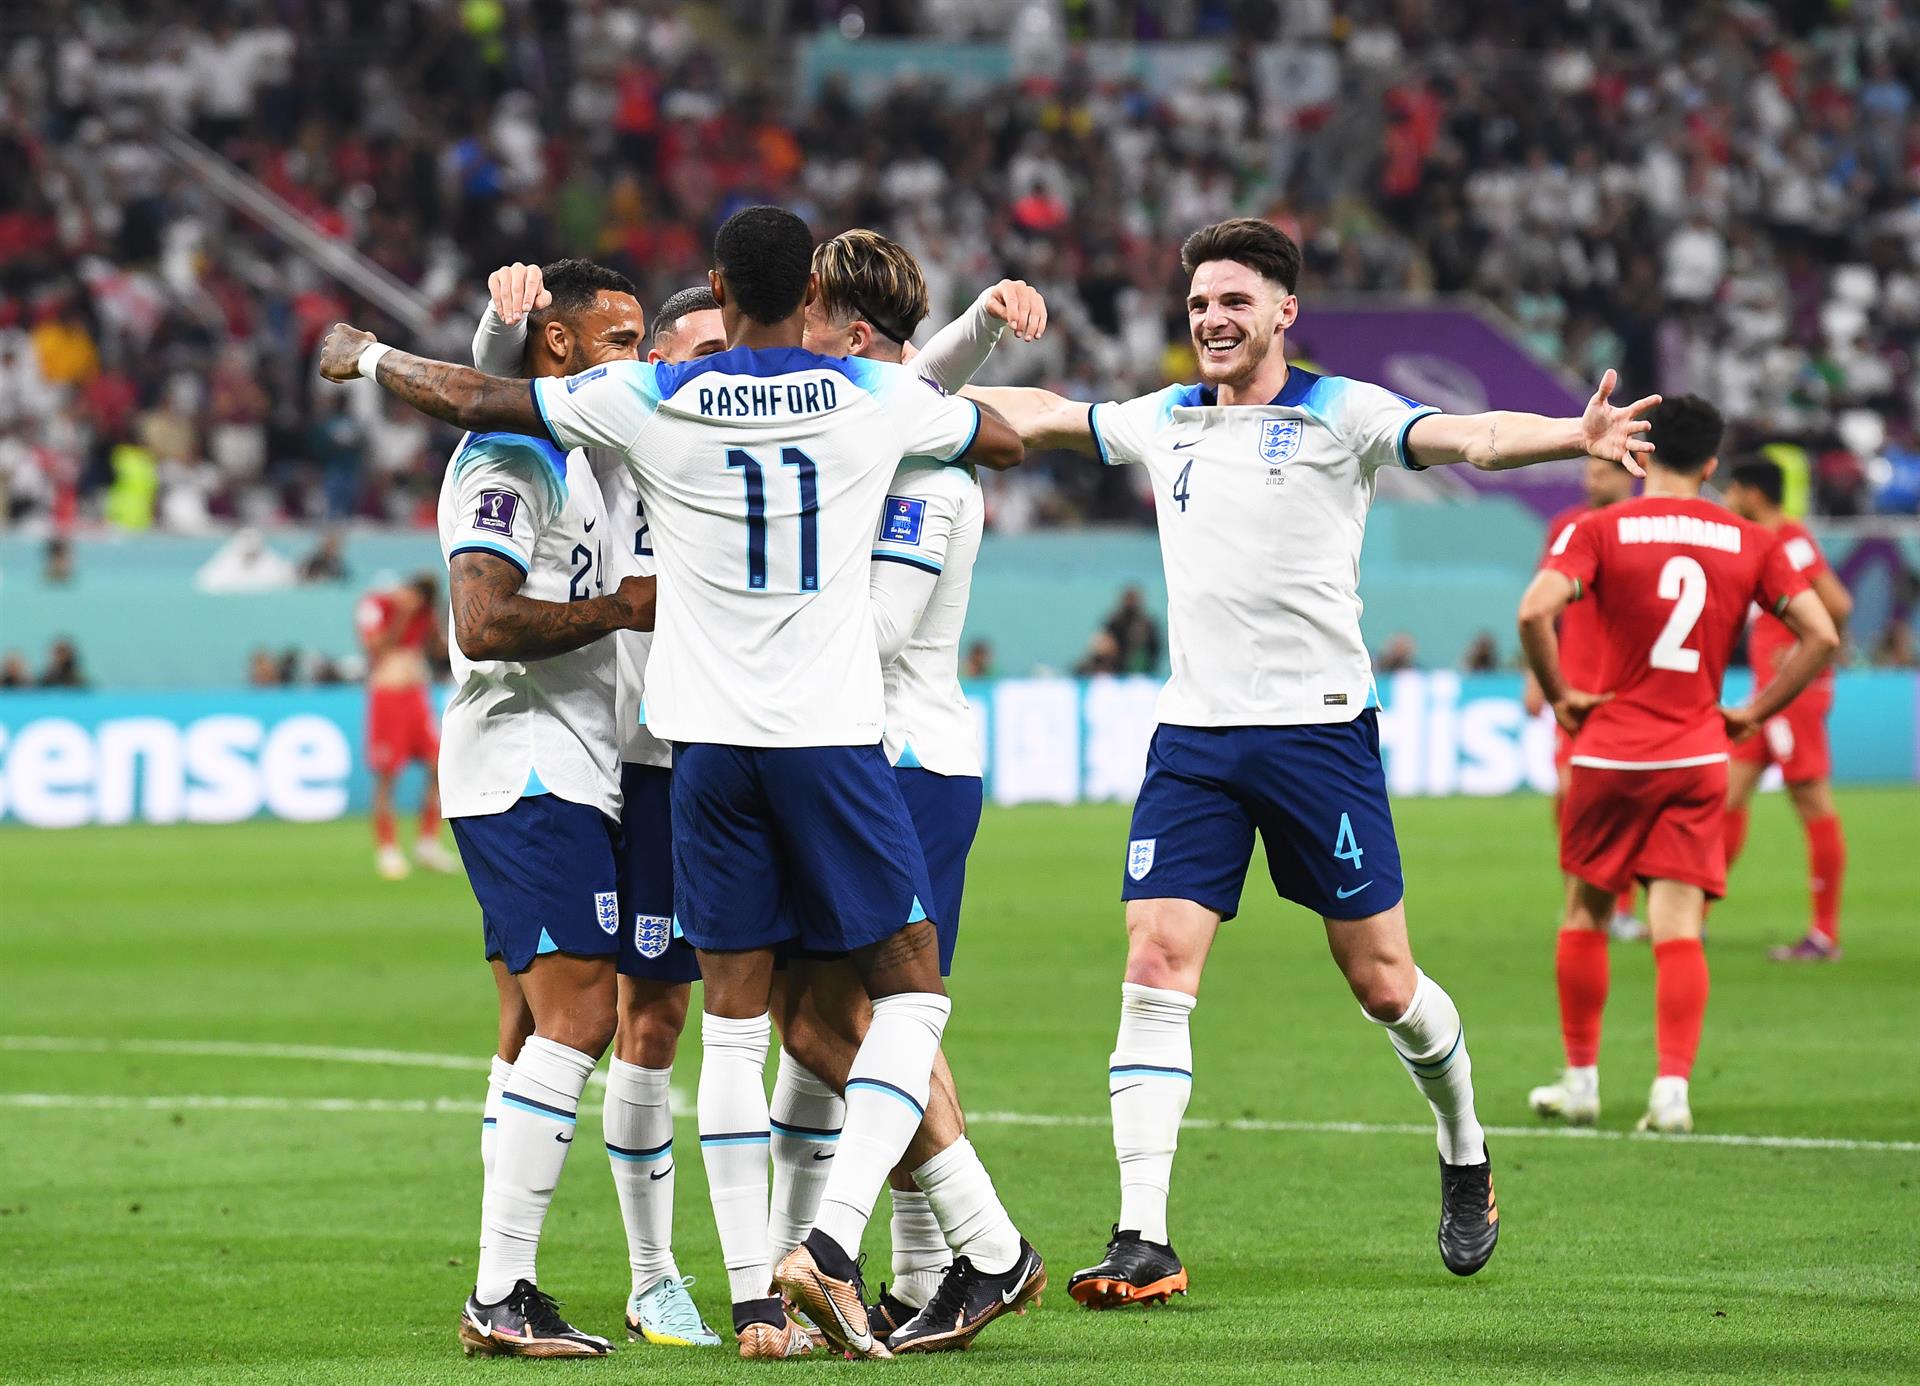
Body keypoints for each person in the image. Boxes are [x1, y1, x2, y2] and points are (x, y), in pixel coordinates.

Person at [317, 205, 1023, 1360]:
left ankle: (728, 1291)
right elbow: (974, 424)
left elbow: (484, 391)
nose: (646, 353)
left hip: (664, 759)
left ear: (717, 289)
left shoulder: (647, 418)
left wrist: (374, 357)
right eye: (623, 336)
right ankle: (765, 1261)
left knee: (686, 1022)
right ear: (810, 295)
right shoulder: (837, 401)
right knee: (686, 1012)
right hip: (623, 755)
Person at [966, 216, 1661, 1304]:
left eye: (1235, 301)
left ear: (1286, 311)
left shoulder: (1345, 414)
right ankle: (1142, 1236)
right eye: (1200, 304)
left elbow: (1470, 440)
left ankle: (1464, 1147)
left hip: (1319, 737)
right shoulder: (1166, 418)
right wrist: (903, 390)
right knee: (1154, 963)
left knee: (1381, 980)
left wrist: (1575, 436)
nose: (1213, 320)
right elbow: (1047, 416)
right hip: (1193, 741)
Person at [757, 229, 1048, 1353]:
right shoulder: (880, 427)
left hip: (907, 764)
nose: (797, 340)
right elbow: (924, 376)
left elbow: (882, 627)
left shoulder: (923, 469)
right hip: (856, 760)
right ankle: (954, 1265)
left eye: (815, 322)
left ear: (855, 337)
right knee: (832, 1019)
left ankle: (972, 1250)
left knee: (853, 1023)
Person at [470, 267, 730, 1351]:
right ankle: (502, 1284)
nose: (715, 372)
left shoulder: (689, 452)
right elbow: (498, 386)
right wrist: (504, 321)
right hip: (549, 766)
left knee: (639, 1020)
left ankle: (643, 1277)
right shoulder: (574, 443)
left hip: (656, 774)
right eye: (680, 351)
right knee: (556, 1018)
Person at [437, 259, 658, 1359]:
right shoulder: (512, 456)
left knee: (530, 1027)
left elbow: (488, 362)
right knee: (585, 1016)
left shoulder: (591, 454)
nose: (644, 358)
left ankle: (503, 1284)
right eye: (623, 340)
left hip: (571, 769)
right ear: (560, 349)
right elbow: (479, 620)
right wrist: (623, 606)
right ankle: (500, 1290)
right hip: (526, 769)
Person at [1518, 396, 1838, 1134]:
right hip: (1698, 753)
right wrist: (1756, 710)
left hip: (1609, 750)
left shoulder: (1601, 529)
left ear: (1642, 450)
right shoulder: (1751, 539)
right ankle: (1671, 1093)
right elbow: (1820, 633)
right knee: (1679, 925)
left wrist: (1564, 695)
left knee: (1587, 912)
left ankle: (1582, 1082)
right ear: (1713, 465)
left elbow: (1535, 611)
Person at [1720, 458, 1854, 961]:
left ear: (1754, 493)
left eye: (1733, 489)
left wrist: (1802, 650)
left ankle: (1824, 935)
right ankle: (1693, 917)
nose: (1728, 498)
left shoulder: (1790, 539)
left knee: (1811, 802)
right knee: (1728, 796)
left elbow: (1837, 605)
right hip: (1766, 696)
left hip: (1792, 694)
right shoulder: (1764, 540)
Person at [1525, 457, 1645, 941]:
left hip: (1629, 680)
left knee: (1624, 796)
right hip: (1574, 682)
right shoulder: (1567, 526)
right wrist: (1537, 677)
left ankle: (1621, 904)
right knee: (1570, 790)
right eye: (1588, 472)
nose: (1590, 480)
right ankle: (1583, 890)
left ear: (1628, 477)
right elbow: (1542, 605)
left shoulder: (1644, 527)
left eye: (1601, 473)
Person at [354, 572, 454, 879]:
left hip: (416, 697)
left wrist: (435, 619)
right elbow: (378, 648)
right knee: (387, 777)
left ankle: (427, 843)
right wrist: (402, 614)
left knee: (439, 766)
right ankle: (388, 849)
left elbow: (438, 650)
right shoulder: (378, 606)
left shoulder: (423, 613)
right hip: (388, 697)